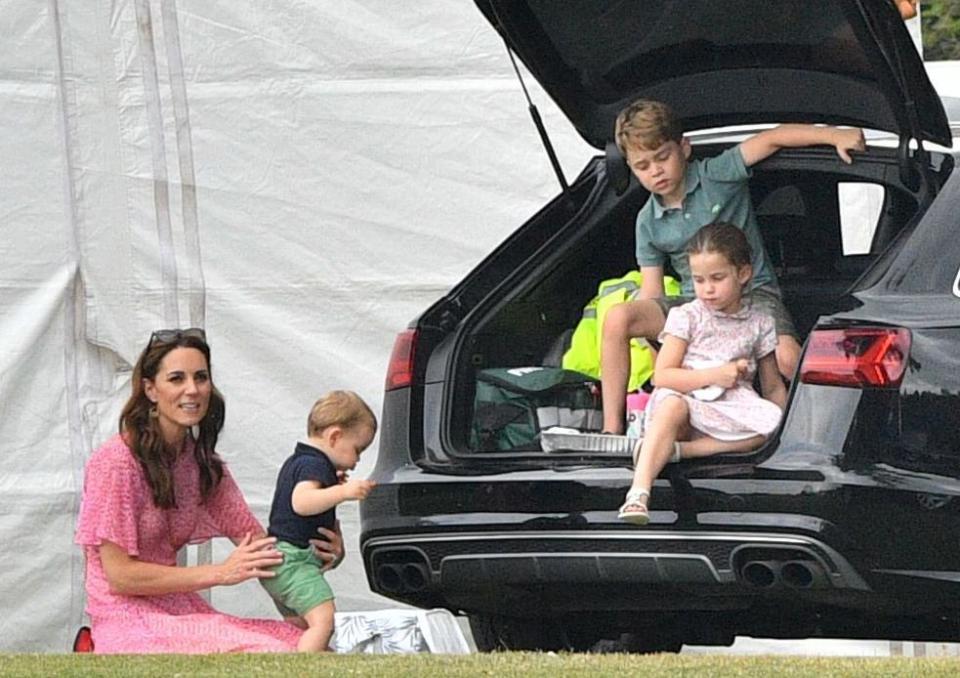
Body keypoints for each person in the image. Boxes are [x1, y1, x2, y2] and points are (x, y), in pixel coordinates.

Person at [600, 99, 865, 433]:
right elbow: (652, 292)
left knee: (786, 358)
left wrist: (833, 136)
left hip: (754, 293)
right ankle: (612, 430)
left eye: (662, 157)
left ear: (684, 147)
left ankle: (824, 427)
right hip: (695, 303)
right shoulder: (646, 222)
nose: (655, 171)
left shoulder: (718, 174)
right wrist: (664, 348)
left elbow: (773, 138)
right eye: (642, 165)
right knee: (618, 317)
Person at [74, 328, 344, 653]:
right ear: (150, 389)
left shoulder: (203, 466)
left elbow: (261, 549)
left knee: (306, 648)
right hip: (125, 619)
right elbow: (120, 577)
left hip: (182, 611)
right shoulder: (116, 462)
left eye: (200, 377)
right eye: (176, 379)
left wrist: (307, 553)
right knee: (271, 653)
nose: (192, 390)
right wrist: (221, 572)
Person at [617, 223, 787, 525]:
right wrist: (714, 375)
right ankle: (638, 493)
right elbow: (663, 376)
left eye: (717, 278)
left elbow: (773, 386)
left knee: (772, 424)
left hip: (731, 406)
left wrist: (788, 428)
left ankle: (683, 451)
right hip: (684, 396)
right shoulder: (687, 316)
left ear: (743, 274)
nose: (707, 289)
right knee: (672, 404)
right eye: (698, 280)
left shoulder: (760, 321)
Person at [261, 390, 377, 652]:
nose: (357, 460)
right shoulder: (314, 464)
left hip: (282, 563)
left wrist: (332, 485)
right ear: (335, 436)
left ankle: (312, 657)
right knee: (324, 620)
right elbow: (301, 502)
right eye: (357, 450)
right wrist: (343, 492)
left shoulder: (300, 462)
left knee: (302, 627)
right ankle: (306, 669)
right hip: (292, 562)